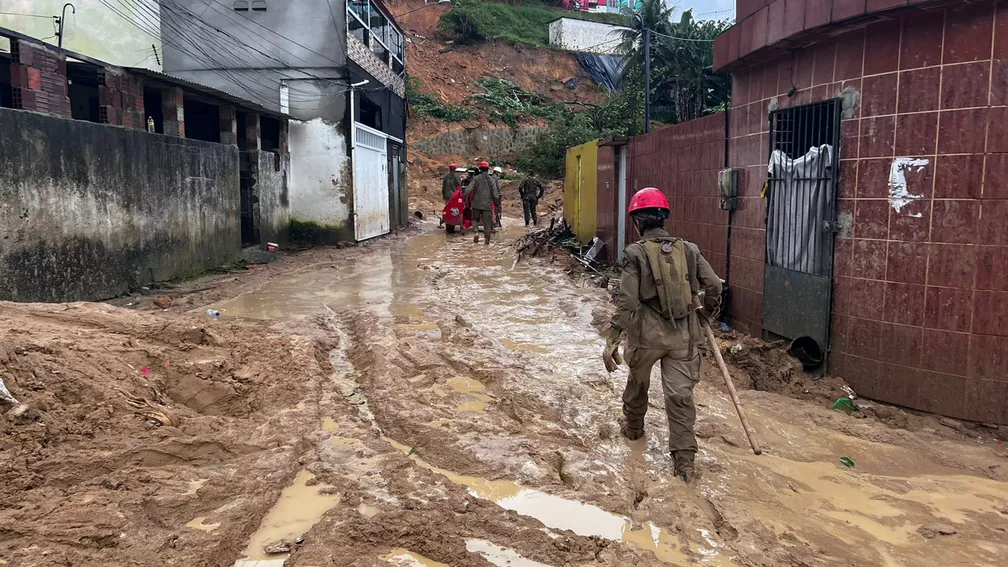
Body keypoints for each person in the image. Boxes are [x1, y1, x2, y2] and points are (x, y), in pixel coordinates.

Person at [602, 187, 722, 484]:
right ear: (663, 218)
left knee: (638, 385)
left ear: (637, 222)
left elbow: (628, 301)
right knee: (680, 398)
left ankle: (633, 433)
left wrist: (613, 337)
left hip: (645, 337)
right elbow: (715, 286)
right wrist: (707, 312)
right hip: (684, 337)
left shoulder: (635, 253)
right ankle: (684, 465)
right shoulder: (689, 249)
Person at [463, 161, 499, 245]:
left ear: (480, 169)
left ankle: (476, 232)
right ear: (487, 169)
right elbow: (495, 194)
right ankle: (486, 242)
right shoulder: (491, 180)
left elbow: (467, 191)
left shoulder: (476, 178)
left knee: (475, 219)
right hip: (487, 205)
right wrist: (496, 204)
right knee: (487, 224)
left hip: (476, 204)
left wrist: (466, 200)